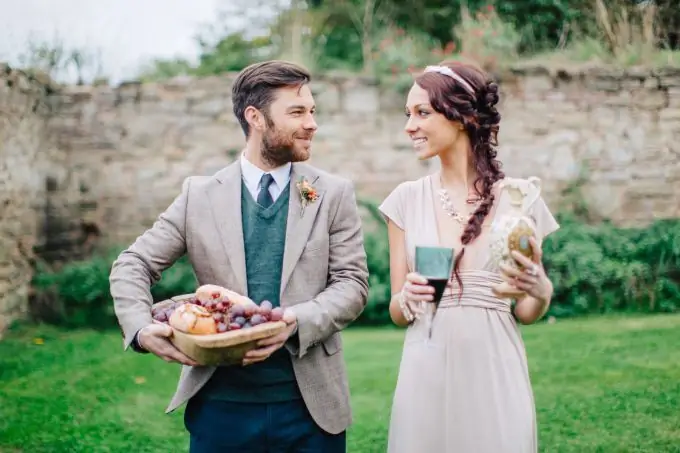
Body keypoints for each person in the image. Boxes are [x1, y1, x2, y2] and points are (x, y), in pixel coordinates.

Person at [109, 60, 369, 452]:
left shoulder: (332, 193)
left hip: (311, 409)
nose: (312, 123)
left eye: (312, 111)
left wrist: (295, 321)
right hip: (220, 407)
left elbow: (352, 284)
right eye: (297, 112)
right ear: (255, 118)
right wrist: (142, 329)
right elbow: (132, 264)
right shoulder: (199, 195)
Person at [378, 60, 560, 453]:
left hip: (495, 370)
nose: (409, 126)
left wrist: (542, 291)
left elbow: (526, 309)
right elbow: (396, 310)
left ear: (461, 117)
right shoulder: (405, 201)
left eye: (421, 113)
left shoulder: (518, 198)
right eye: (407, 114)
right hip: (424, 372)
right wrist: (406, 299)